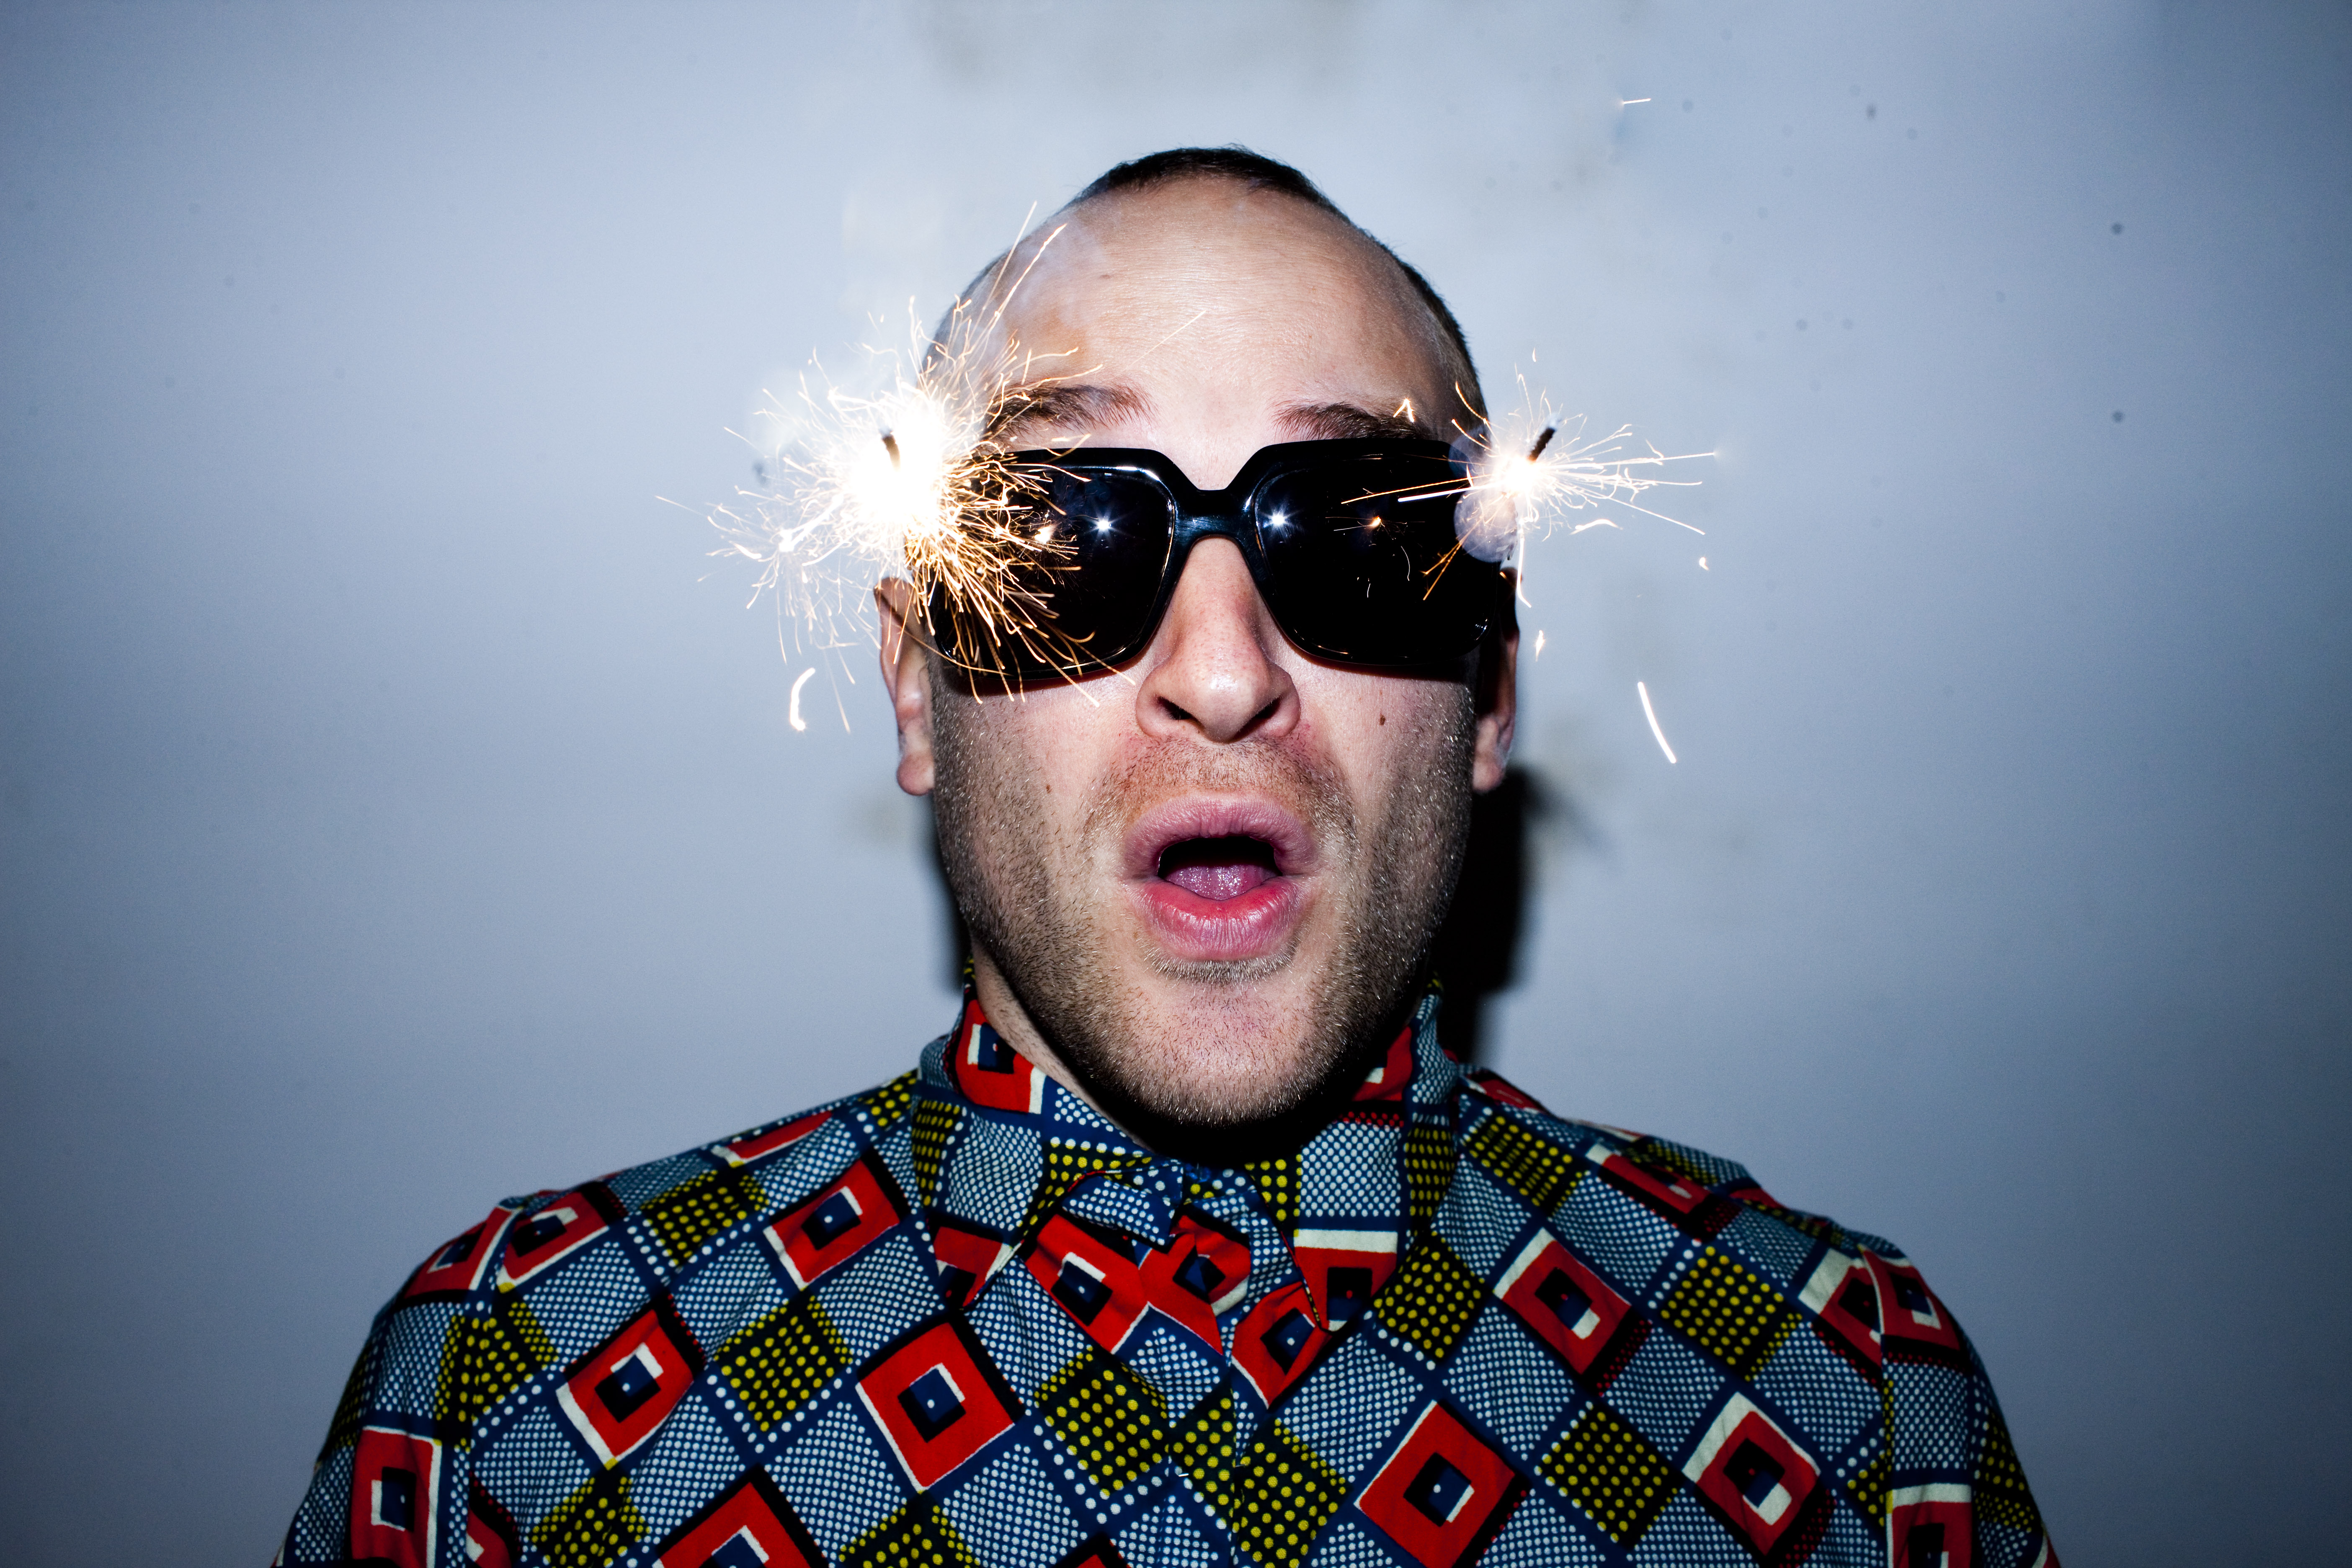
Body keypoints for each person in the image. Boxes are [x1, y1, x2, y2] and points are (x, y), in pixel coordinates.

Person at [280, 149, 2054, 1568]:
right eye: (1069, 534)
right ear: (915, 685)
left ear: (1490, 692)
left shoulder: (1848, 1397)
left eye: (1359, 535)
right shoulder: (511, 1389)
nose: (1220, 673)